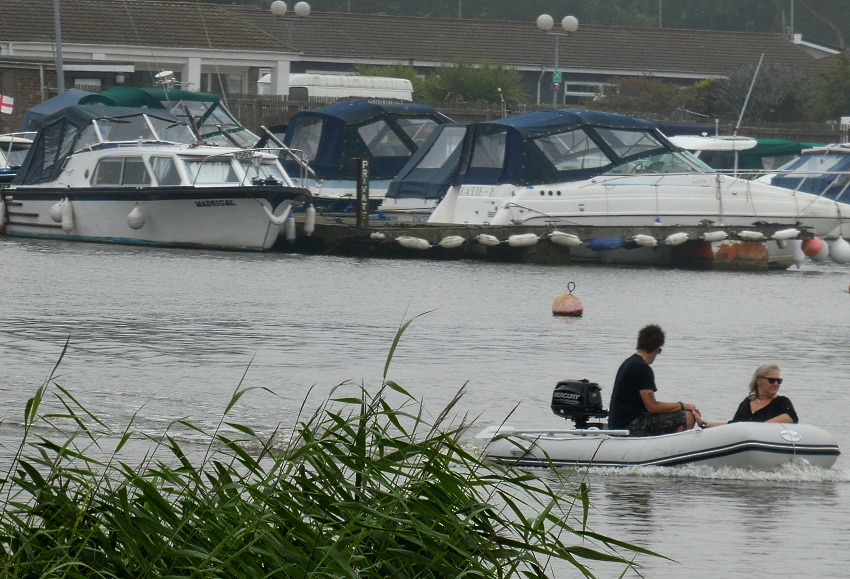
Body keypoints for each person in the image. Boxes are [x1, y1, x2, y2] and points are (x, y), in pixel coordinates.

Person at [608, 324, 704, 436]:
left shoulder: (628, 363)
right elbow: (652, 407)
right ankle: (672, 446)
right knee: (687, 416)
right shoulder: (642, 368)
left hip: (617, 424)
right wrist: (683, 405)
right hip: (629, 426)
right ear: (657, 349)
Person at [729, 363, 798, 423]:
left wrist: (760, 427)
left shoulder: (782, 402)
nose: (776, 384)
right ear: (759, 381)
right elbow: (734, 423)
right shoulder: (747, 401)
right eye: (772, 380)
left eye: (779, 381)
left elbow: (790, 418)